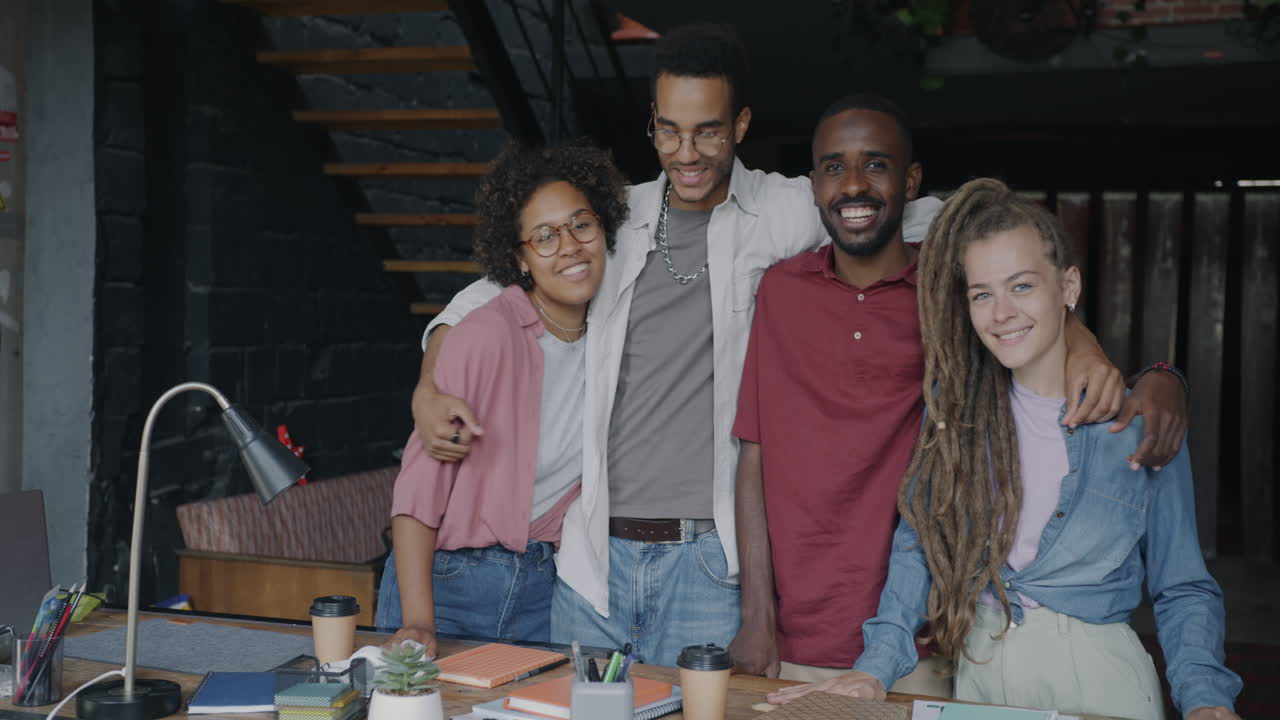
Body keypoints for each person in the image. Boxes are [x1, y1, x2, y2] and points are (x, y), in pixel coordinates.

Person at [409, 25, 1176, 666]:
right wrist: (430, 371)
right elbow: (500, 286)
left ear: (739, 125)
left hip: (707, 560)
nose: (687, 152)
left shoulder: (785, 207)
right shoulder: (614, 217)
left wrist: (1084, 342)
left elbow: (976, 238)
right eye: (669, 129)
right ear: (652, 126)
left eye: (708, 129)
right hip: (592, 561)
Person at [729, 95, 1190, 694]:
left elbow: (1034, 315)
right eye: (835, 167)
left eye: (876, 164)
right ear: (812, 184)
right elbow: (754, 451)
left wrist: (1153, 372)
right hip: (793, 636)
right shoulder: (781, 290)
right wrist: (756, 615)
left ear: (911, 180)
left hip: (934, 639)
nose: (855, 184)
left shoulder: (952, 294)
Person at [768, 178, 1241, 720]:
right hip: (979, 678)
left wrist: (1207, 701)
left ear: (1068, 287)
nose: (1001, 313)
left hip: (1100, 679)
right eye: (982, 294)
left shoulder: (1140, 424)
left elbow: (1182, 586)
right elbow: (917, 545)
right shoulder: (956, 413)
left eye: (1021, 287)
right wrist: (875, 669)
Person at [375, 141, 629, 656]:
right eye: (545, 236)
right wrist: (421, 621)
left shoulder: (613, 339)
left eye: (582, 225)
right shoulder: (488, 333)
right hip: (448, 584)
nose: (570, 246)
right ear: (520, 257)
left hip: (543, 590)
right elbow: (418, 490)